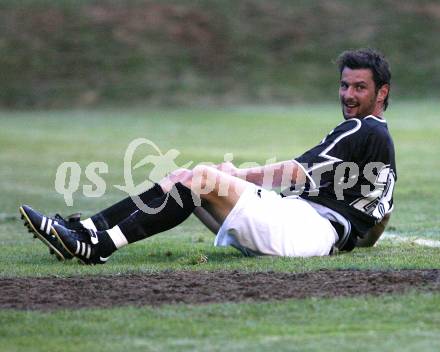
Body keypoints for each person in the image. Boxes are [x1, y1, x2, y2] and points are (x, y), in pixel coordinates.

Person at [19, 48, 397, 264]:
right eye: (345, 84)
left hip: (304, 230)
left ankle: (98, 247)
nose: (348, 94)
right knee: (188, 176)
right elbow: (378, 220)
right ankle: (86, 230)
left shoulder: (362, 128)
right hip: (307, 236)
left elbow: (294, 173)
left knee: (202, 179)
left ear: (382, 93)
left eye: (360, 87)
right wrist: (347, 243)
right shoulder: (380, 143)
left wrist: (237, 174)